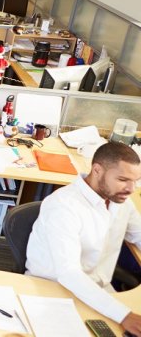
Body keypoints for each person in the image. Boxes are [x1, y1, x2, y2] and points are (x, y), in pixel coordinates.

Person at [26, 142, 141, 336]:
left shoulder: (120, 199)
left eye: (136, 180)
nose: (131, 188)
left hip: (100, 292)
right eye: (123, 179)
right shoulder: (64, 207)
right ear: (97, 170)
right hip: (54, 293)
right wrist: (123, 315)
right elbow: (69, 274)